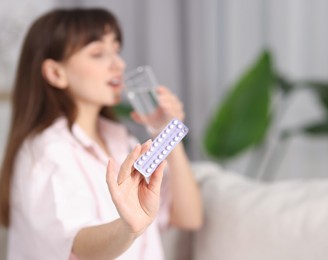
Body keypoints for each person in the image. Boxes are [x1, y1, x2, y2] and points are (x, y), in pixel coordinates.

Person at [0, 7, 203, 259]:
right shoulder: (47, 153)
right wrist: (128, 227)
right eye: (97, 53)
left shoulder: (121, 141)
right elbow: (76, 246)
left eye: (116, 50)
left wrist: (167, 132)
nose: (119, 63)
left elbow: (188, 217)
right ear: (55, 73)